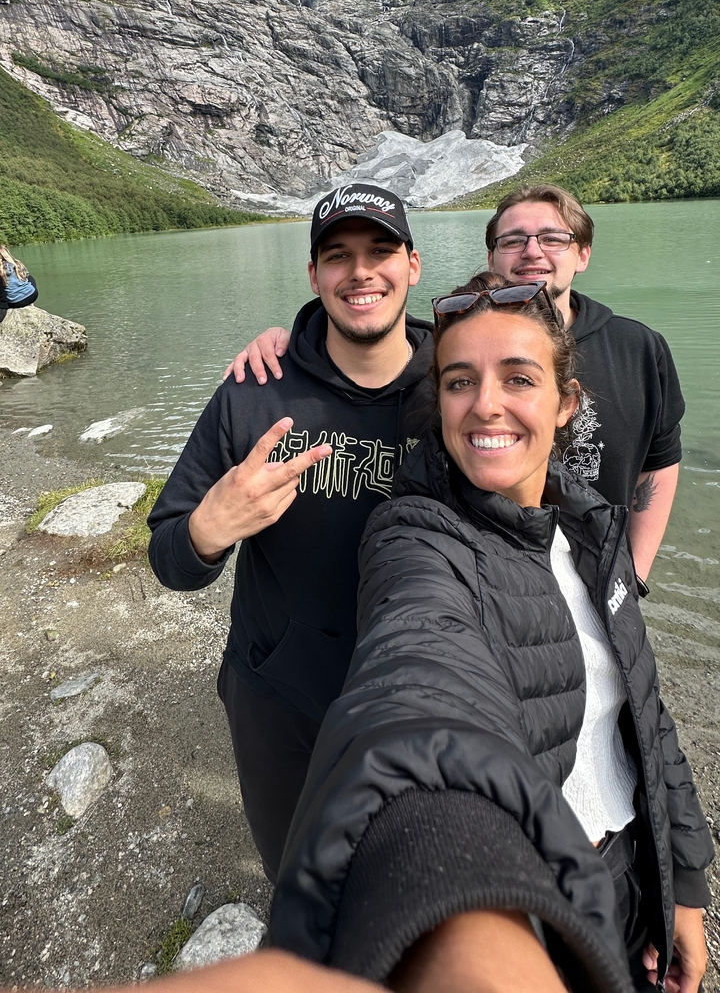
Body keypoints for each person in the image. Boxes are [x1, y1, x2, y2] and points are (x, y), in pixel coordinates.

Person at [266, 273, 713, 993]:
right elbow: (418, 676)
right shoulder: (416, 539)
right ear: (437, 399)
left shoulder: (593, 526)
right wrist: (456, 914)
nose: (486, 406)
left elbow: (647, 711)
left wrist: (686, 882)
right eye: (460, 381)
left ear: (566, 404)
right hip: (543, 903)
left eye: (519, 378)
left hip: (639, 874)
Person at [147, 183, 434, 883]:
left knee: (409, 884)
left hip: (424, 695)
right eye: (338, 256)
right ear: (313, 276)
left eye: (380, 251)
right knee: (296, 876)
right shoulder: (254, 392)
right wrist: (208, 531)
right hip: (279, 698)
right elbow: (169, 557)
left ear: (414, 266)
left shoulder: (457, 386)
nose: (360, 272)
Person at [227, 184, 683, 580]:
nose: (531, 251)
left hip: (601, 581)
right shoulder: (453, 349)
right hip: (490, 579)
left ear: (583, 253)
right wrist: (296, 339)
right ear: (491, 256)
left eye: (553, 238)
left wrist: (633, 575)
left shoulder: (639, 348)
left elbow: (660, 461)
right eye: (512, 240)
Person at [0, 244, 38, 322]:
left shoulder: (1, 271)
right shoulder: (17, 263)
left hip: (15, 302)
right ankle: (29, 301)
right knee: (30, 278)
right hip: (32, 296)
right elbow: (26, 275)